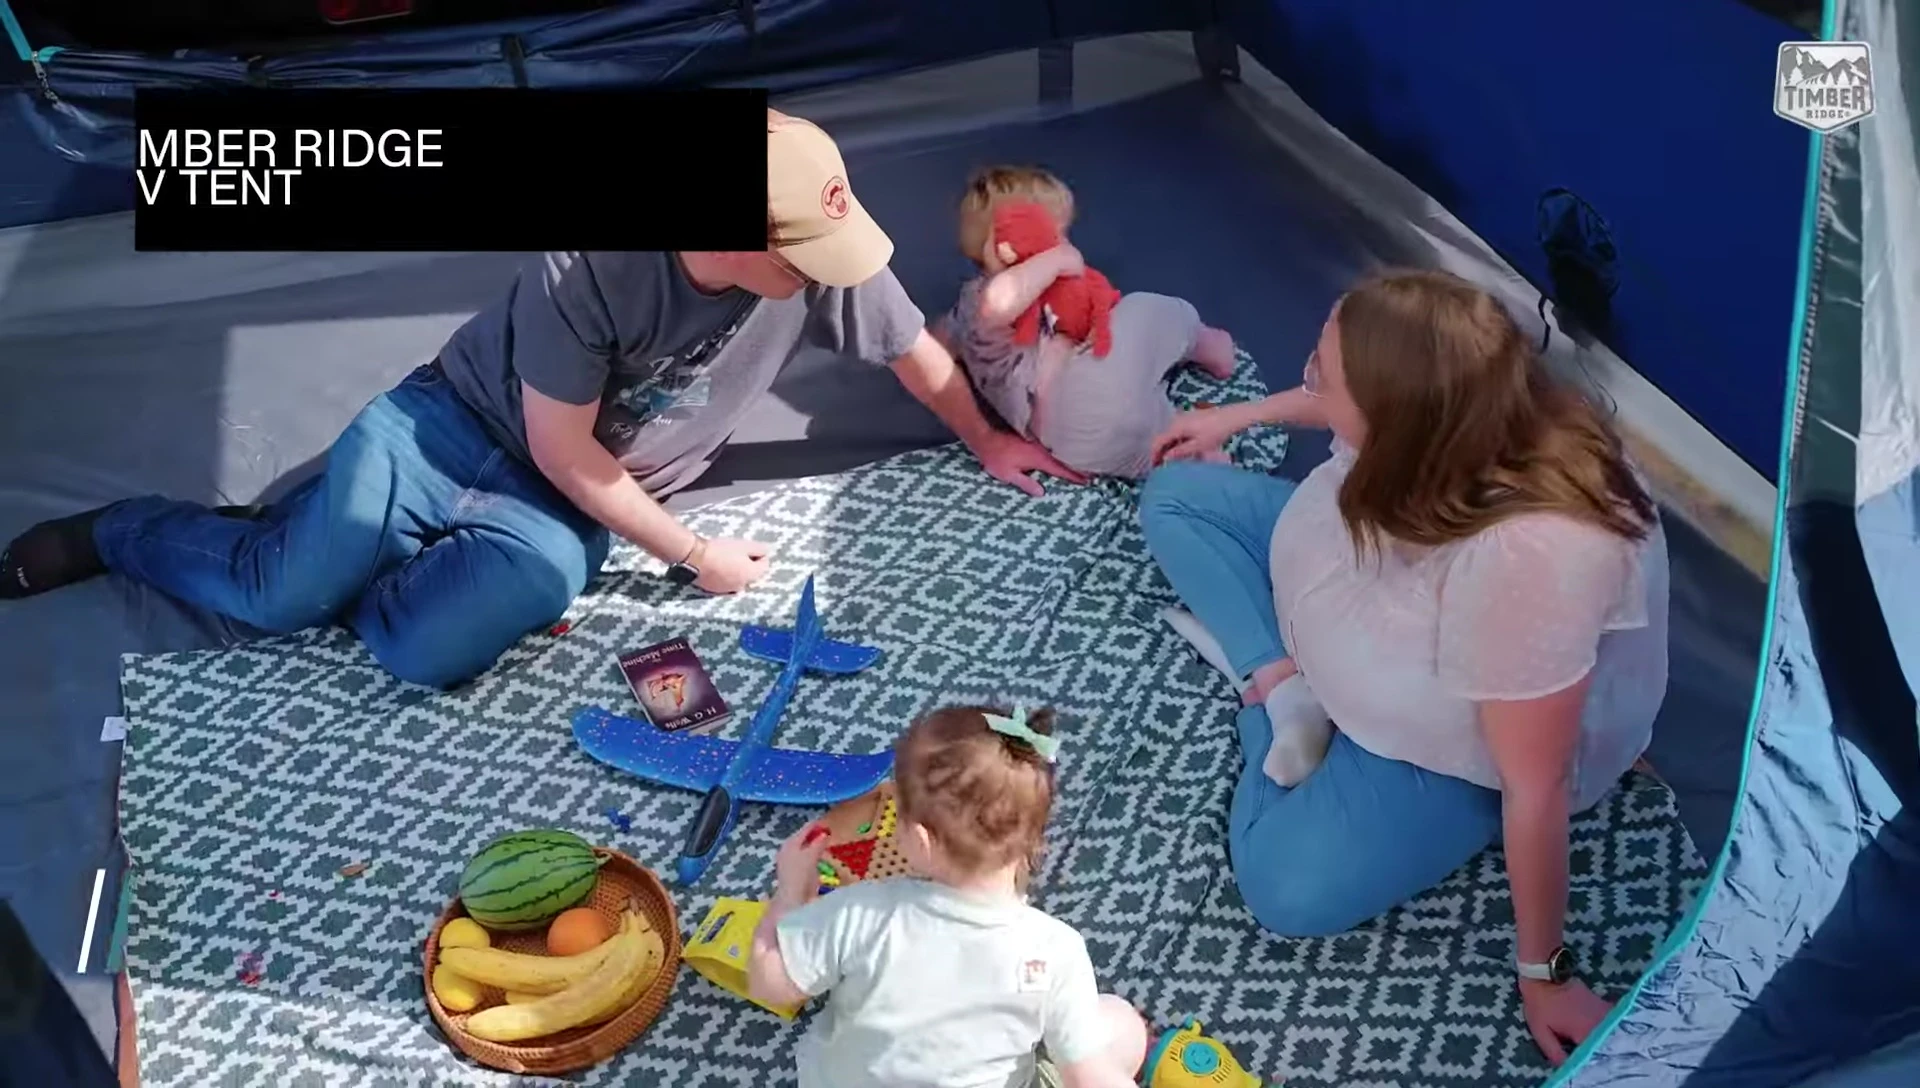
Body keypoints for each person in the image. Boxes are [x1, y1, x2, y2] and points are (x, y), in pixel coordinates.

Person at [0, 109, 1083, 689]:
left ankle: (340, 551)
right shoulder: (595, 255)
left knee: (424, 651)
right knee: (281, 593)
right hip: (450, 430)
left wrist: (989, 440)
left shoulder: (818, 260)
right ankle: (126, 533)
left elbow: (912, 352)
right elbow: (562, 447)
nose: (829, 268)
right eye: (804, 250)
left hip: (560, 504)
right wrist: (698, 557)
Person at [1140, 268, 1671, 1066]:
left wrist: (1546, 975)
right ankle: (1284, 688)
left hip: (1460, 738)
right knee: (1176, 496)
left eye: (1324, 374)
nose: (1309, 380)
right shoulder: (1460, 400)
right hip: (1371, 568)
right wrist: (1238, 413)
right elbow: (1345, 396)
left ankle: (1269, 698)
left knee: (1287, 889)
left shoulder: (1535, 560)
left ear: (1397, 422)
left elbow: (1536, 785)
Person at [746, 704, 1149, 1088]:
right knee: (1121, 1026)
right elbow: (1089, 1079)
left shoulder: (859, 912)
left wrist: (790, 894)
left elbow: (770, 984)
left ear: (919, 839)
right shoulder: (1057, 951)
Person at [930, 165, 1239, 480]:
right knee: (1142, 309)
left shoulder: (965, 319)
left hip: (1075, 448)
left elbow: (936, 343)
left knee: (1152, 428)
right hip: (1081, 403)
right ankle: (1206, 343)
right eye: (1056, 236)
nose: (1065, 244)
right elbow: (998, 302)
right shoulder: (985, 301)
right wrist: (1058, 260)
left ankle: (1196, 457)